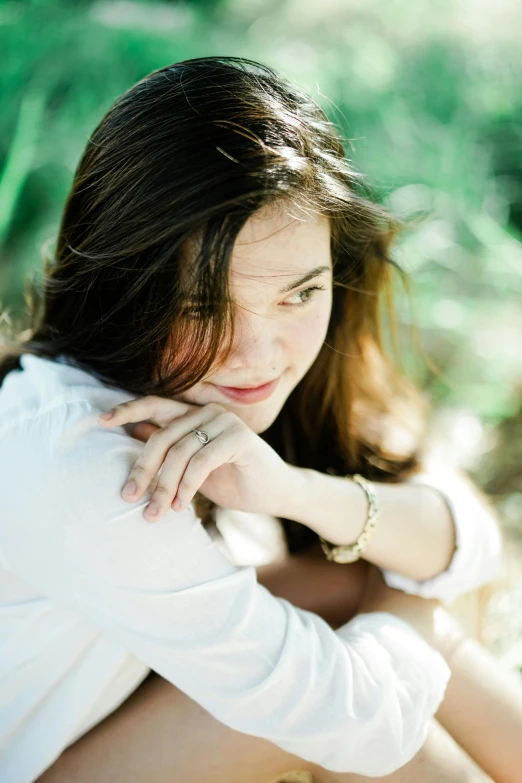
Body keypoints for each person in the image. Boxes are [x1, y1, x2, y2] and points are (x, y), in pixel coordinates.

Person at [0, 56, 519, 783]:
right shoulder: (84, 453)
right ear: (125, 287)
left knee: (343, 589)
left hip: (101, 730)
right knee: (324, 692)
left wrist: (297, 492)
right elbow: (355, 722)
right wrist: (417, 610)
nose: (257, 355)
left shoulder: (267, 371)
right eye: (203, 307)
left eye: (301, 294)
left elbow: (470, 541)